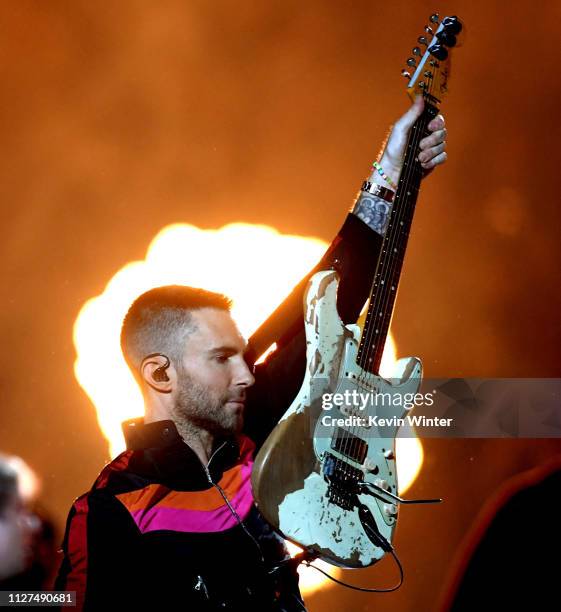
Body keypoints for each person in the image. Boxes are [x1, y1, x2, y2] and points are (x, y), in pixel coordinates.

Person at [54, 96, 447, 610]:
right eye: (221, 358)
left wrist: (390, 171)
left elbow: (333, 303)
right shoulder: (109, 510)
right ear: (159, 373)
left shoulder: (254, 434)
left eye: (242, 355)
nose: (245, 374)